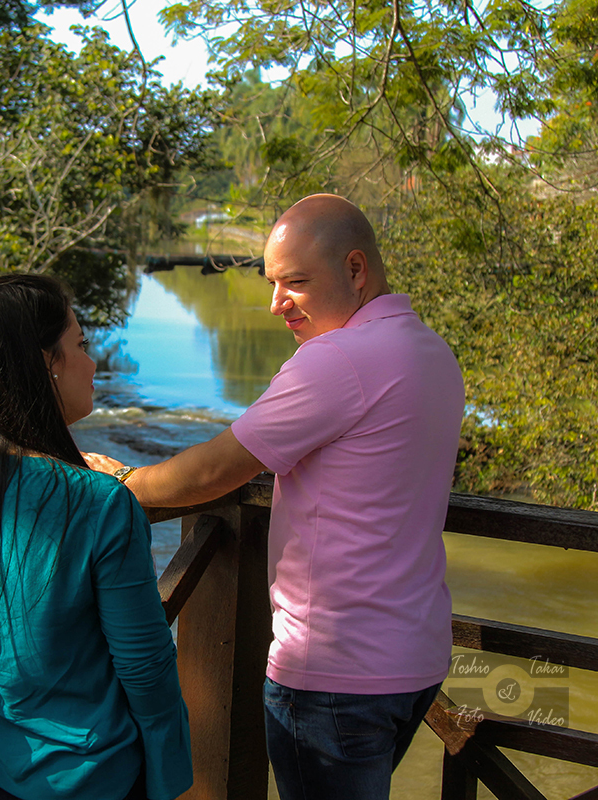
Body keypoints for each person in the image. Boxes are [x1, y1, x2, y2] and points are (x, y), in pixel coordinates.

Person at [86, 194, 465, 800]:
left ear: (356, 269)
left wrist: (127, 482)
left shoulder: (337, 360)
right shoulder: (432, 351)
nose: (276, 303)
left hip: (334, 674)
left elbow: (216, 470)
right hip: (414, 660)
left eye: (296, 282)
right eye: (272, 283)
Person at [0, 274, 193, 800]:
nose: (93, 364)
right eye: (82, 346)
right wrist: (167, 775)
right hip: (87, 780)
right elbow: (146, 667)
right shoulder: (100, 503)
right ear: (48, 363)